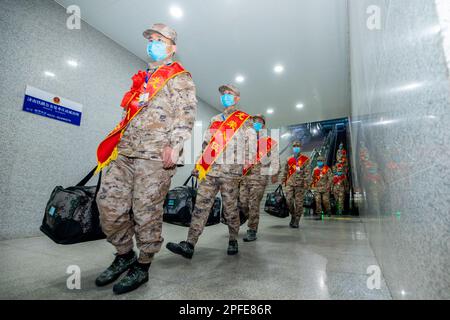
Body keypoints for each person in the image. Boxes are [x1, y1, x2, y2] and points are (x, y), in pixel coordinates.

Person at [94, 23, 197, 294]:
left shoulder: (179, 77)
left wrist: (174, 146)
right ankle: (124, 254)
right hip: (125, 151)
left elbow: (186, 114)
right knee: (108, 204)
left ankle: (143, 263)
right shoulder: (144, 78)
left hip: (154, 156)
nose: (152, 43)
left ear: (172, 46)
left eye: (159, 39)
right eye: (150, 39)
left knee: (146, 212)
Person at [166, 84, 256, 258]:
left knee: (230, 209)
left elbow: (251, 148)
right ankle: (189, 244)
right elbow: (207, 145)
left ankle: (232, 239)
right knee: (200, 206)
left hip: (231, 173)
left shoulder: (244, 120)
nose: (225, 96)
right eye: (223, 94)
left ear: (237, 98)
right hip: (210, 171)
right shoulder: (215, 119)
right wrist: (199, 165)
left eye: (229, 94)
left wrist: (243, 170)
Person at [239, 114, 279, 242]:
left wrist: (274, 173)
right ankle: (249, 218)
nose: (257, 123)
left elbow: (274, 159)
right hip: (245, 177)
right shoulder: (244, 140)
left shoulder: (268, 142)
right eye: (254, 121)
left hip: (259, 178)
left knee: (253, 204)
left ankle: (252, 230)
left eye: (260, 122)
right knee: (243, 203)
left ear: (263, 125)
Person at [281, 141, 310, 228]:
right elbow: (285, 170)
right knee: (288, 200)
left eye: (297, 146)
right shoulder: (289, 159)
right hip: (290, 183)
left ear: (300, 147)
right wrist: (283, 179)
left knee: (299, 203)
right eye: (294, 146)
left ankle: (297, 220)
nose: (296, 147)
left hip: (300, 184)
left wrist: (306, 182)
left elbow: (307, 172)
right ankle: (293, 215)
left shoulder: (305, 159)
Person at [311, 155, 333, 219]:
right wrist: (312, 186)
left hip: (325, 188)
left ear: (323, 161)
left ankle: (328, 210)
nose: (319, 162)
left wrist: (328, 186)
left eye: (321, 161)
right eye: (318, 161)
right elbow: (312, 178)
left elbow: (330, 178)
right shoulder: (315, 169)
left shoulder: (327, 169)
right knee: (318, 200)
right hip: (317, 188)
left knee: (325, 200)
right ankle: (319, 214)